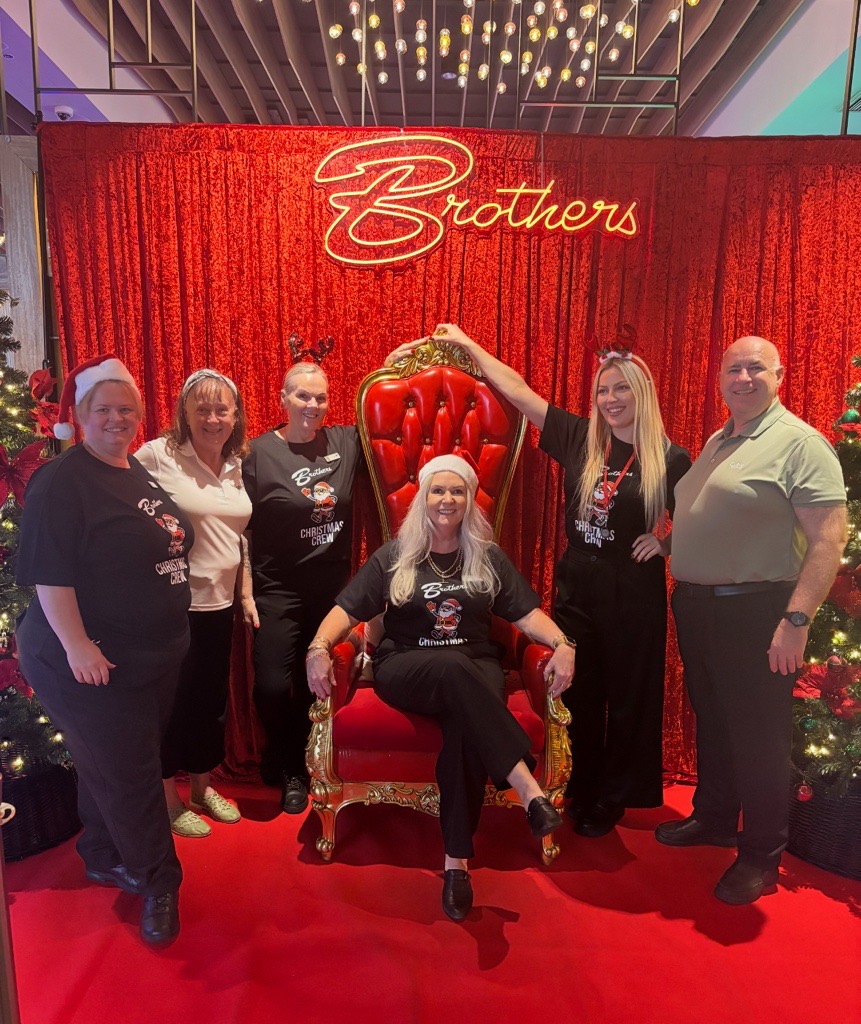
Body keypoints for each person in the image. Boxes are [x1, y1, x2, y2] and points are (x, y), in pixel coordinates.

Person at [416, 324, 690, 838]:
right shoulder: (581, 439)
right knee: (578, 692)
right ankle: (580, 789)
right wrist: (471, 345)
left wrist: (667, 544)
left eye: (621, 388)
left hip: (634, 592)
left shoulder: (670, 458)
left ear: (642, 393)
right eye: (603, 390)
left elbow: (702, 519)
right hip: (579, 586)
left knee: (630, 695)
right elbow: (518, 391)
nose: (611, 399)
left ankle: (614, 798)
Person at [306, 454, 576, 922]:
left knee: (465, 727)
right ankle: (528, 790)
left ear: (469, 501)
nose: (446, 499)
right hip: (406, 667)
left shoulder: (487, 557)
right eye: (437, 490)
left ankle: (456, 866)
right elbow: (346, 610)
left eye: (456, 491)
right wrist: (317, 646)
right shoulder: (395, 555)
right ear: (422, 499)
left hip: (476, 668)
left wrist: (562, 642)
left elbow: (525, 614)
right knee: (453, 668)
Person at [657, 336, 846, 904]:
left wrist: (796, 619)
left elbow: (828, 540)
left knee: (761, 735)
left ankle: (762, 854)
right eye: (733, 368)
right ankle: (714, 817)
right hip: (697, 605)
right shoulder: (721, 438)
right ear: (719, 378)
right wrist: (667, 544)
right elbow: (718, 519)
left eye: (755, 368)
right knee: (713, 719)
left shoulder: (800, 444)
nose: (743, 377)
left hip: (758, 610)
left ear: (779, 375)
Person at [15, 354, 194, 946]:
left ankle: (99, 850)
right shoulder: (61, 480)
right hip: (87, 659)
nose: (117, 419)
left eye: (126, 409)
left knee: (109, 760)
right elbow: (49, 575)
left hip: (148, 655)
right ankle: (157, 881)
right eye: (104, 410)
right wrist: (79, 646)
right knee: (132, 773)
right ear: (79, 416)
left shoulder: (131, 470)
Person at [136, 370, 252, 839]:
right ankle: (169, 800)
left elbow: (239, 537)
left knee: (210, 703)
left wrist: (244, 592)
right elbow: (123, 507)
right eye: (201, 408)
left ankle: (203, 788)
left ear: (235, 416)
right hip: (171, 607)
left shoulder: (236, 463)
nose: (212, 418)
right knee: (172, 706)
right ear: (183, 412)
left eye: (222, 409)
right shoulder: (158, 456)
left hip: (219, 606)